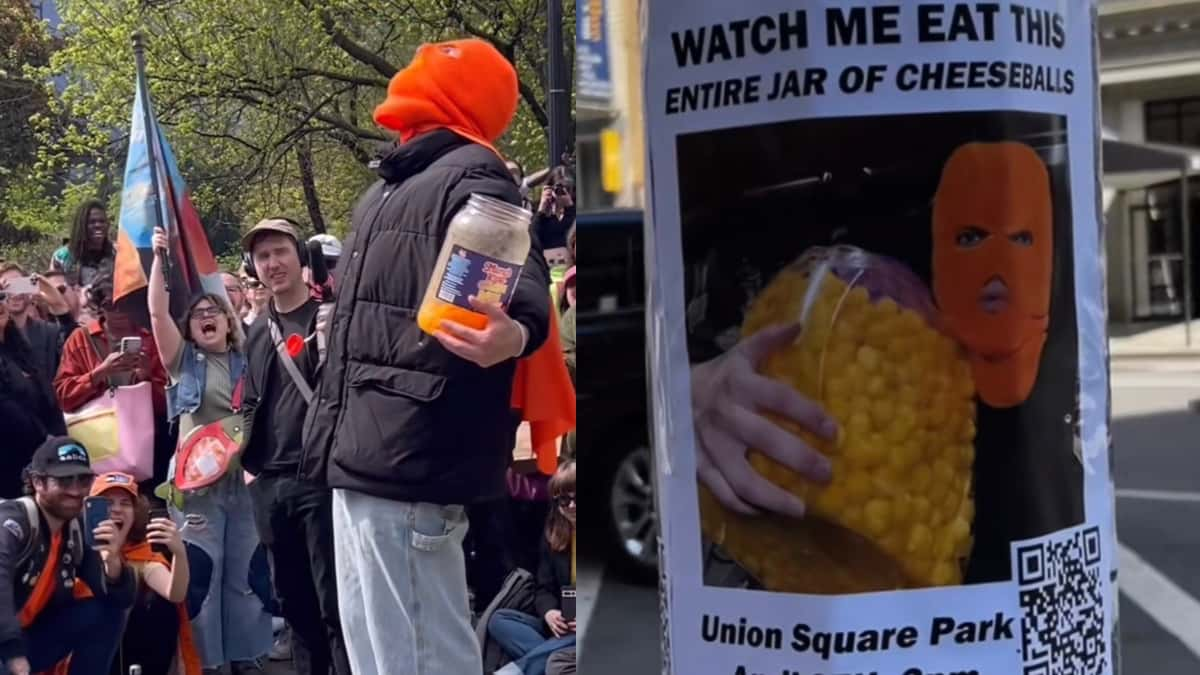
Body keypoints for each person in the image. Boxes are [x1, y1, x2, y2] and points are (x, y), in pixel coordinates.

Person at [301, 38, 551, 675]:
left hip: (408, 455)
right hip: (364, 453)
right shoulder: (394, 184)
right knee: (382, 653)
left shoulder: (474, 174)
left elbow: (517, 273)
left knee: (416, 655)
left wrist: (516, 331)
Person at [147, 227, 273, 675]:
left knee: (245, 575)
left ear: (228, 319)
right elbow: (157, 311)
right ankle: (207, 661)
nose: (206, 315)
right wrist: (160, 257)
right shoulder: (182, 361)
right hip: (194, 490)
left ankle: (244, 655)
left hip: (243, 486)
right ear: (191, 327)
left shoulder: (250, 358)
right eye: (198, 312)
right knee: (203, 574)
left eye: (214, 310)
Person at [240, 219, 350, 675]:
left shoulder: (330, 320)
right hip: (270, 481)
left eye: (280, 251)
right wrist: (250, 467)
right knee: (294, 605)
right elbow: (249, 399)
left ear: (300, 256)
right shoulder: (256, 331)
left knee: (335, 603)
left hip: (320, 478)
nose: (272, 263)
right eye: (263, 256)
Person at [0, 437, 136, 675]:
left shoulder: (75, 529)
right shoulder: (12, 521)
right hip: (7, 644)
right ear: (37, 482)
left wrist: (113, 562)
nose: (75, 490)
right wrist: (13, 654)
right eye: (64, 480)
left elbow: (118, 600)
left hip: (26, 639)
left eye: (83, 480)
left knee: (106, 613)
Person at [52, 276, 171, 491]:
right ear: (99, 307)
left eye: (123, 305)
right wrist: (99, 373)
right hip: (100, 444)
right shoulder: (82, 338)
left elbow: (170, 403)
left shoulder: (152, 337)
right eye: (109, 305)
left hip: (151, 446)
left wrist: (145, 378)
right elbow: (63, 396)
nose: (118, 312)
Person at [88, 472, 199, 675]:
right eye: (108, 502)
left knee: (160, 606)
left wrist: (179, 553)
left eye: (125, 503)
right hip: (86, 648)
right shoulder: (78, 546)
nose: (116, 510)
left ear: (136, 511)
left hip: (132, 653)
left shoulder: (141, 552)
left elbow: (175, 593)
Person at [488, 461, 577, 675]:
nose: (572, 506)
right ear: (556, 503)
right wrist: (549, 613)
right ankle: (551, 658)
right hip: (562, 628)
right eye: (564, 500)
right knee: (499, 620)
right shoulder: (553, 534)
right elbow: (543, 587)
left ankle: (522, 669)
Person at [0, 291, 67, 499]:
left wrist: (57, 441)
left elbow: (47, 398)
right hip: (9, 467)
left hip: (42, 460)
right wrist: (43, 437)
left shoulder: (18, 348)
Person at [0, 264, 75, 382]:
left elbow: (74, 353)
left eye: (19, 285)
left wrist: (60, 307)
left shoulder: (49, 332)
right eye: (7, 287)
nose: (15, 293)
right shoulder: (3, 338)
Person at [52, 200, 115, 288]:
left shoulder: (117, 253)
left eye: (102, 221)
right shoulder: (62, 256)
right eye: (92, 222)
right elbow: (54, 289)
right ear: (81, 225)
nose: (98, 225)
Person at [533, 166, 575, 267]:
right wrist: (541, 210)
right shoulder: (540, 212)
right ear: (550, 188)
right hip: (545, 267)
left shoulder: (575, 210)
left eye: (567, 188)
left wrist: (570, 208)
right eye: (558, 188)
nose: (562, 192)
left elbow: (572, 237)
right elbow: (532, 237)